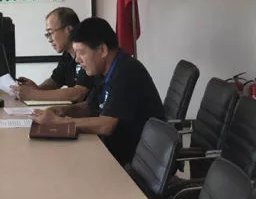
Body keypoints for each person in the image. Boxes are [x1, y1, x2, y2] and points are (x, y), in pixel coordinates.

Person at [31, 17, 165, 166]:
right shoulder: (105, 71)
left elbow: (106, 125)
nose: (77, 60)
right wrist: (62, 111)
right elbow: (90, 106)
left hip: (135, 163)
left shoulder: (126, 72)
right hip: (113, 151)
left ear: (102, 50)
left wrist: (61, 122)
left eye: (81, 52)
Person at [10, 7, 95, 103]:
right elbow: (55, 81)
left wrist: (33, 94)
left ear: (68, 30)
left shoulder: (88, 54)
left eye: (51, 33)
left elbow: (77, 93)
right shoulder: (67, 54)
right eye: (47, 34)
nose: (49, 39)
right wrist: (35, 89)